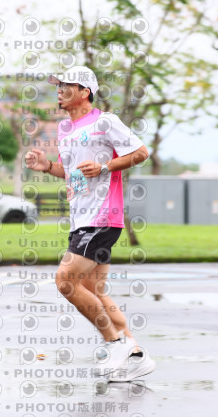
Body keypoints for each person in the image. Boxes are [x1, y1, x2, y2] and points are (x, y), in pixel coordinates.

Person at [25, 66, 156, 381]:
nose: (59, 90)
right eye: (58, 85)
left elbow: (141, 153)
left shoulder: (104, 121)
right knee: (91, 289)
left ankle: (115, 343)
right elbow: (71, 173)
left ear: (85, 91)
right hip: (81, 218)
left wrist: (104, 166)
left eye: (66, 85)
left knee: (65, 281)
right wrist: (47, 166)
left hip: (102, 216)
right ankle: (135, 354)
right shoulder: (66, 129)